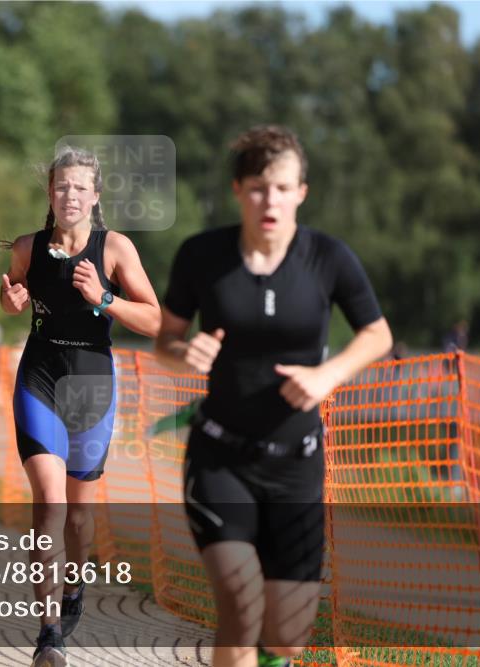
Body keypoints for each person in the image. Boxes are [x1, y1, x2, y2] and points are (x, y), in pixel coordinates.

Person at [154, 126, 392, 667]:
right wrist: (182, 352)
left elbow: (377, 334)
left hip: (296, 464)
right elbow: (165, 339)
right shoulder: (201, 256)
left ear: (302, 192)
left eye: (283, 188)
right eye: (259, 187)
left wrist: (327, 375)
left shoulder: (328, 258)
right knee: (239, 603)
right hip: (221, 458)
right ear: (238, 189)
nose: (271, 200)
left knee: (287, 635)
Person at [0, 146, 161, 667]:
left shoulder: (114, 249)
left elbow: (157, 321)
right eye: (61, 186)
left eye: (79, 187)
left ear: (95, 196)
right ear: (50, 193)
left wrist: (105, 299)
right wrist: (9, 302)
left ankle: (74, 589)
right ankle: (49, 634)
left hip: (91, 382)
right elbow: (12, 296)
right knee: (50, 504)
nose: (70, 195)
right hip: (41, 376)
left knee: (80, 517)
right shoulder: (27, 247)